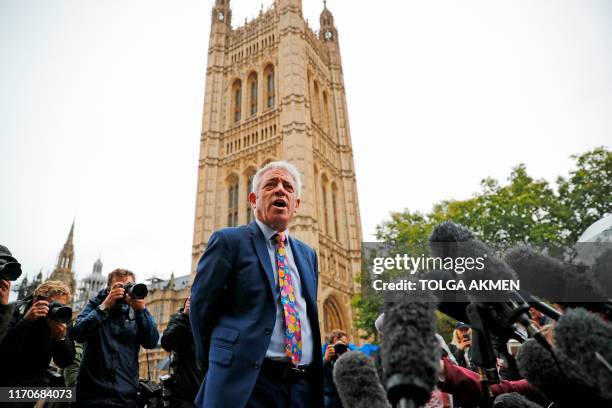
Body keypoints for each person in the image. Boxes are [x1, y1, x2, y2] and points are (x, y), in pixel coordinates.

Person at [190, 161, 324, 408]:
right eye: (271, 185)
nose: (280, 190)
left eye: (287, 187)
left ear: (296, 205)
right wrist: (224, 362)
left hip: (301, 388)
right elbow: (201, 309)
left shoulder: (308, 255)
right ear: (253, 200)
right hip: (249, 385)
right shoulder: (229, 241)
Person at [71, 268, 159, 408]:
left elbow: (152, 341)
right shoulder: (96, 305)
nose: (125, 290)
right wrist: (104, 306)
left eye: (129, 286)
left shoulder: (136, 312)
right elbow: (78, 333)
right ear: (109, 289)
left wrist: (141, 311)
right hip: (90, 396)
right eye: (120, 286)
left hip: (125, 397)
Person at [0, 280, 76, 388]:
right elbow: (5, 352)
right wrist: (26, 322)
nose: (56, 310)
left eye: (60, 306)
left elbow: (65, 362)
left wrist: (62, 339)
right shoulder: (15, 311)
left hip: (31, 388)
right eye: (53, 305)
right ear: (36, 301)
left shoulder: (61, 320)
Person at [161, 296, 204, 408]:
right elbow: (166, 342)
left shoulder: (211, 321)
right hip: (184, 393)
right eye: (189, 298)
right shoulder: (179, 319)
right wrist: (185, 317)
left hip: (208, 391)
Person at [322, 329, 350, 408]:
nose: (343, 346)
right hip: (329, 398)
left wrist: (350, 358)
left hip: (344, 398)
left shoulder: (347, 353)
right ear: (333, 342)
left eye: (345, 343)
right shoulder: (325, 352)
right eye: (341, 343)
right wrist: (325, 359)